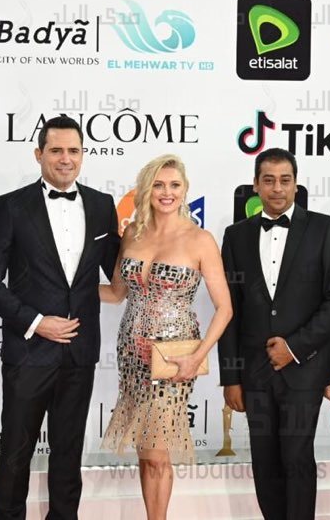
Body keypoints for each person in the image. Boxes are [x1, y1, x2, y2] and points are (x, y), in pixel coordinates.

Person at [0, 115, 120, 520]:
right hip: (29, 351)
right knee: (15, 452)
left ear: (83, 155)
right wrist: (36, 321)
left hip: (79, 352)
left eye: (73, 151)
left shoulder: (101, 205)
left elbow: (118, 272)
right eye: (56, 150)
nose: (65, 159)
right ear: (38, 154)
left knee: (69, 453)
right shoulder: (12, 206)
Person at [218, 147, 330, 520]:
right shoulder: (236, 236)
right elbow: (229, 310)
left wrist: (294, 347)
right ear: (256, 185)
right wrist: (231, 377)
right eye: (269, 180)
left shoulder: (325, 228)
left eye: (285, 180)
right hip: (254, 372)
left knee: (296, 457)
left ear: (296, 184)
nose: (277, 188)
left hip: (305, 368)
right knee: (264, 462)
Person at [99, 154, 232, 520]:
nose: (167, 192)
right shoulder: (133, 233)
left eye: (174, 185)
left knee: (158, 455)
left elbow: (224, 309)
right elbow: (116, 293)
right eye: (158, 185)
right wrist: (62, 291)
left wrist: (197, 357)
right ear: (146, 190)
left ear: (185, 190)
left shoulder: (200, 239)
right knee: (146, 452)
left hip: (174, 359)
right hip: (132, 354)